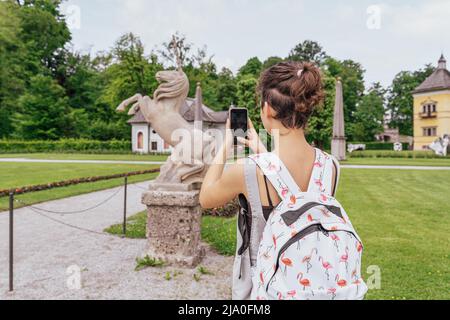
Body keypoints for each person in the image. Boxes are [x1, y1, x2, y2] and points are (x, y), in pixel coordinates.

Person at [199, 61, 339, 300]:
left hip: (265, 288)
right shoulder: (331, 166)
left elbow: (206, 198)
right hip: (312, 286)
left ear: (267, 109)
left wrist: (225, 143)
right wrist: (261, 150)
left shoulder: (246, 169)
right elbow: (294, 201)